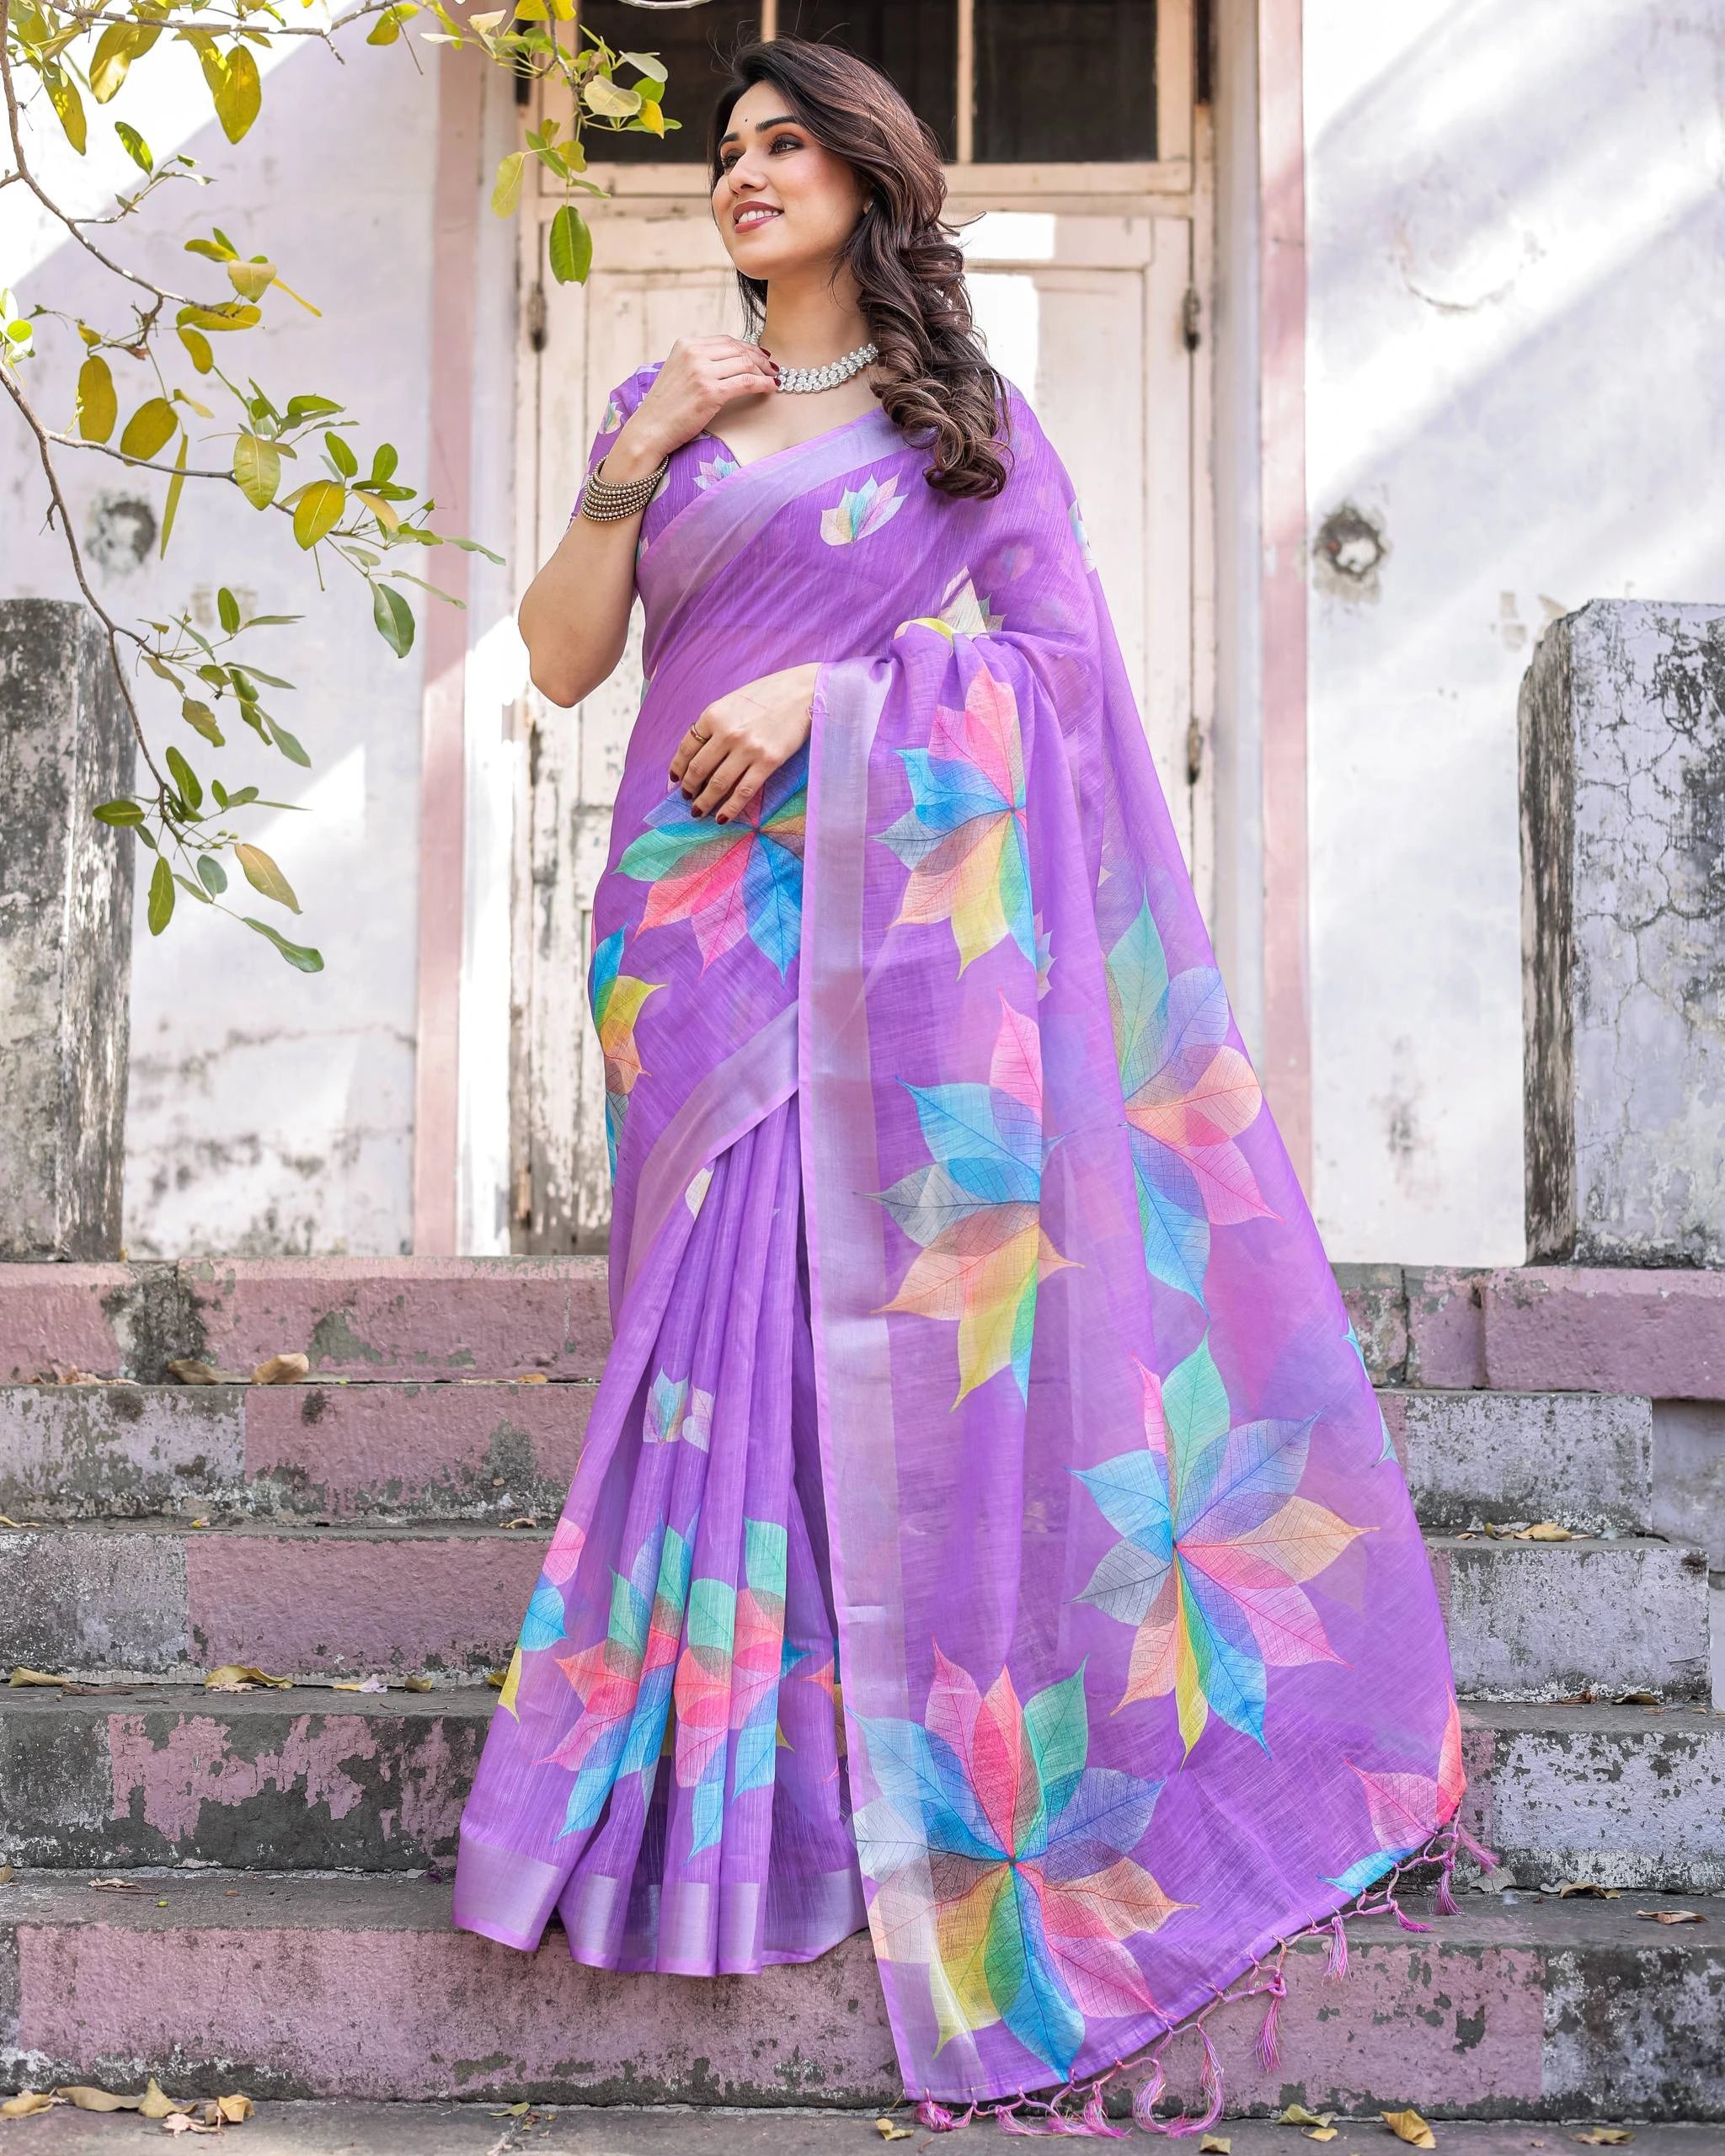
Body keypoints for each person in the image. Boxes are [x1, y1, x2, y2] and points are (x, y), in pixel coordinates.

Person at [452, 36, 1463, 2127]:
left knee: (836, 1337)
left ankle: (824, 1790)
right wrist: (636, 456)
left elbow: (1066, 682)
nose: (742, 172)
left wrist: (847, 689)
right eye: (723, 149)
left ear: (868, 180)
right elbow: (563, 661)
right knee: (702, 1345)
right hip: (687, 942)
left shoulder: (966, 426)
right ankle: (693, 1788)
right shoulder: (675, 411)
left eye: (782, 141)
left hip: (882, 951)